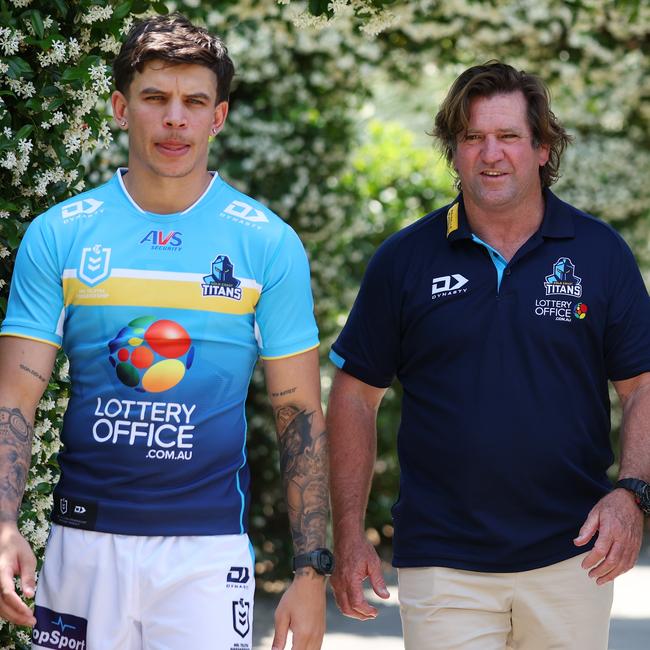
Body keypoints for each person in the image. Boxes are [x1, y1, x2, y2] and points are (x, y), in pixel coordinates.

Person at [0, 13, 331, 650]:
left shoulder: (266, 243)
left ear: (219, 116)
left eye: (194, 102)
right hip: (81, 548)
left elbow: (299, 413)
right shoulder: (62, 233)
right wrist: (3, 524)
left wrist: (310, 569)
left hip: (206, 557)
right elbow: (15, 399)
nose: (175, 118)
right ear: (122, 108)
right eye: (156, 99)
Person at [327, 61, 650, 649]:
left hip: (573, 555)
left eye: (507, 137)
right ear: (453, 151)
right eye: (472, 138)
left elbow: (641, 385)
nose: (490, 154)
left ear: (543, 148)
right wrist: (348, 532)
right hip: (443, 563)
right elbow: (354, 396)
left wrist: (632, 494)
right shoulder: (404, 261)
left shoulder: (601, 254)